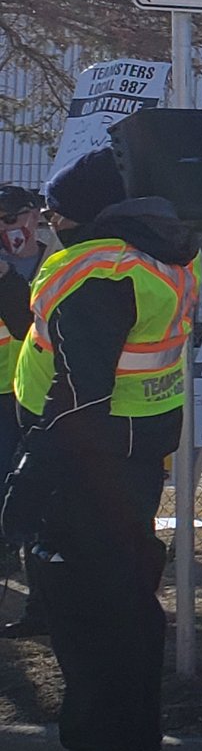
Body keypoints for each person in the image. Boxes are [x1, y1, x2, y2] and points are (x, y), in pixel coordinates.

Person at [1, 148, 198, 751]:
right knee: (128, 615)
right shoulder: (161, 256)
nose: (49, 223)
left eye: (54, 211)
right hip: (131, 459)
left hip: (84, 465)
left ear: (79, 212)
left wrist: (34, 470)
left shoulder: (93, 268)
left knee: (87, 624)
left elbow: (81, 394)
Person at [0, 185, 46, 641]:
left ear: (34, 217)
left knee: (35, 498)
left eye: (10, 217)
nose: (4, 228)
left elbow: (29, 323)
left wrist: (7, 280)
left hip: (36, 396)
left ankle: (40, 607)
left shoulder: (56, 262)